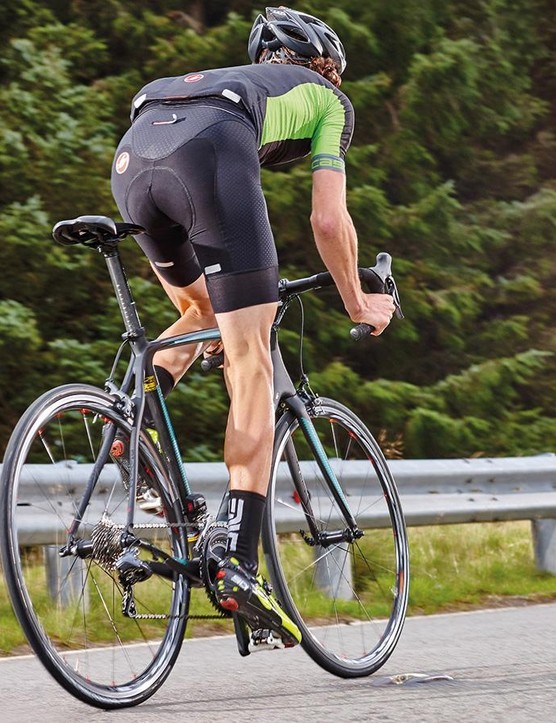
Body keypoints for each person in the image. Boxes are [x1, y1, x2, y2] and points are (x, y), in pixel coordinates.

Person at [110, 6, 395, 645]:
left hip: (135, 153)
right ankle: (239, 559)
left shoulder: (234, 79)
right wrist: (358, 302)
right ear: (327, 65)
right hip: (210, 149)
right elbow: (329, 222)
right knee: (251, 357)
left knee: (200, 311)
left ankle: (138, 441)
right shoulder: (328, 101)